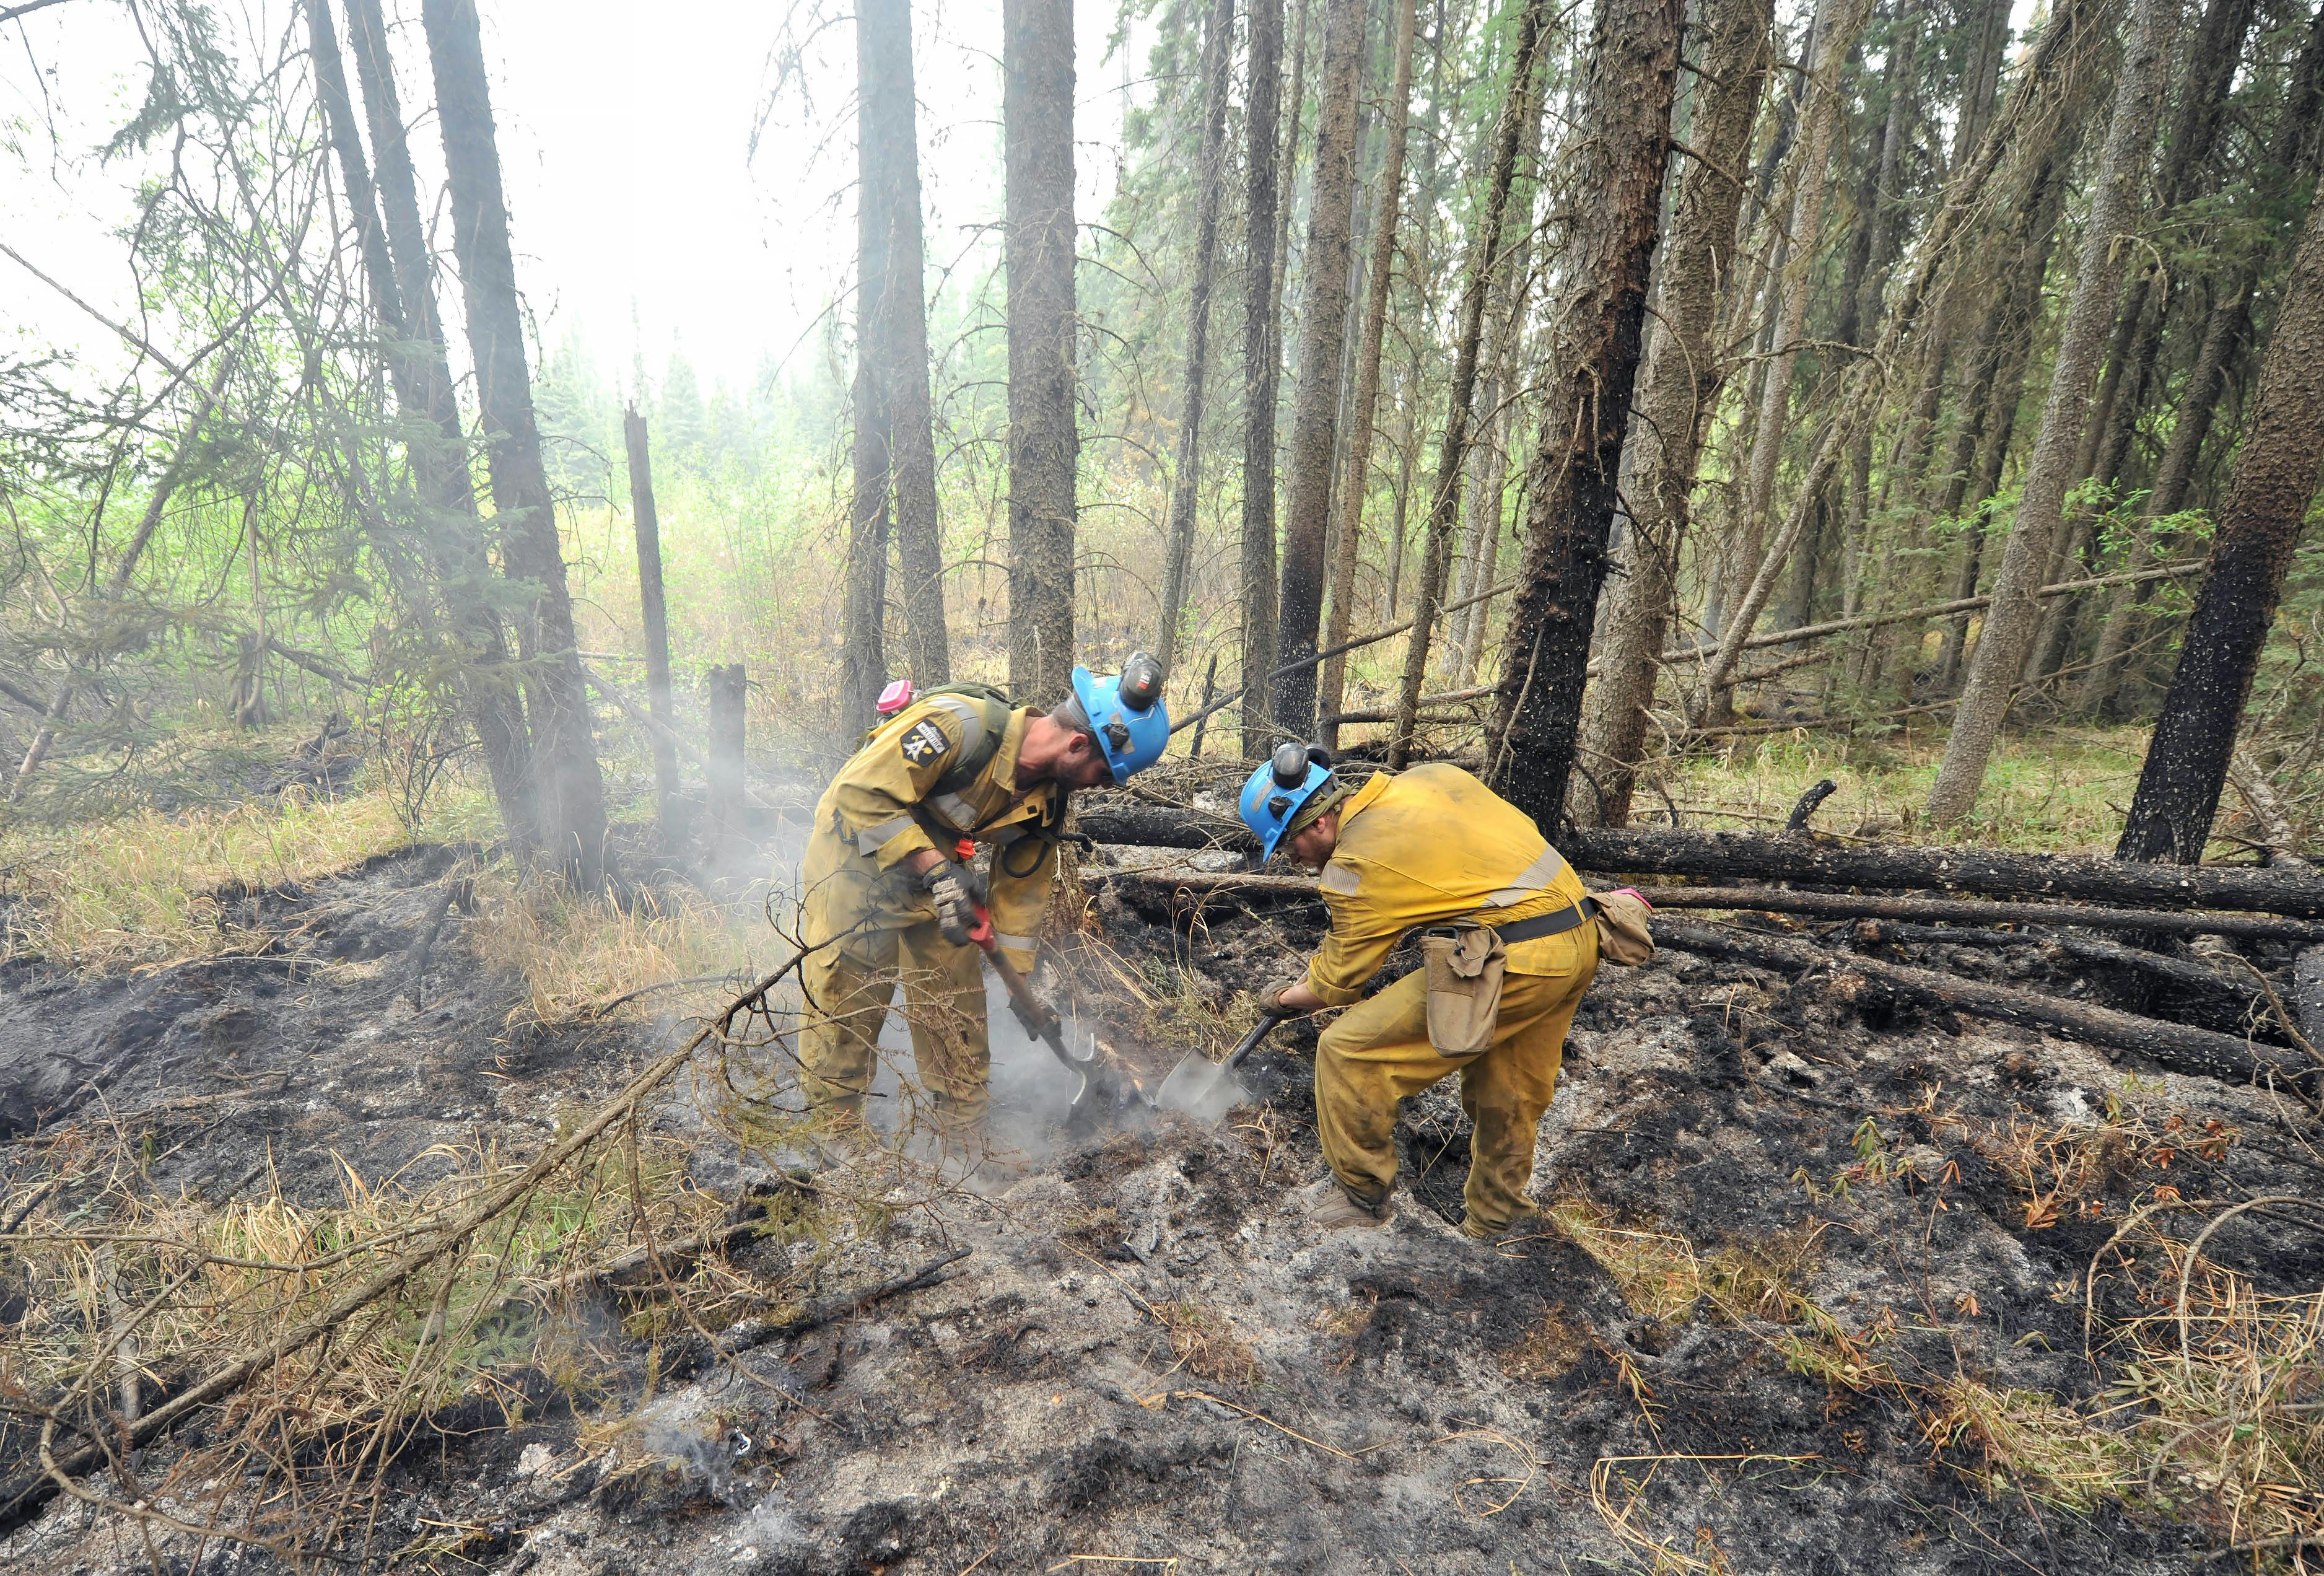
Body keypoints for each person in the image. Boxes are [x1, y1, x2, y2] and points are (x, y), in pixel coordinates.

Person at [1239, 743, 1601, 1237]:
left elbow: (1336, 987)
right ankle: (1498, 1220)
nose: (1292, 859)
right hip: (1579, 934)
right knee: (1509, 1087)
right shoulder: (1426, 779)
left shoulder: (1353, 867)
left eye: (1287, 845)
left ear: (1318, 823)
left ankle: (1358, 1194)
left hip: (1517, 955)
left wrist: (1280, 999)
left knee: (1347, 1052)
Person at [797, 655, 1169, 1134]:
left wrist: (1019, 983)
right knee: (849, 1009)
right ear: (1078, 744)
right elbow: (859, 794)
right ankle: (837, 1144)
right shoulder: (959, 726)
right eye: (1104, 774)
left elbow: (1023, 891)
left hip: (938, 879)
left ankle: (964, 1149)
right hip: (854, 868)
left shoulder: (1046, 799)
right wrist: (937, 870)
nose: (1100, 787)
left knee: (957, 1015)